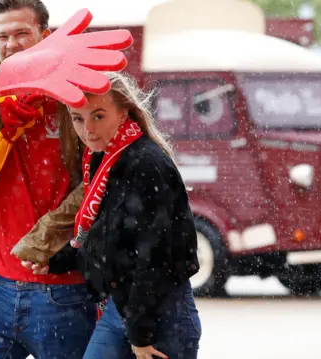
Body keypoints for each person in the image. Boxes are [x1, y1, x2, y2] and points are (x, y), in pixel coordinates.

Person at [0, 1, 97, 358]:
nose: (11, 44)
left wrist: (42, 242)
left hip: (61, 290)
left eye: (21, 34)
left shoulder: (73, 92)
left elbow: (95, 179)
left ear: (45, 35)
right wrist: (0, 77)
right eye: (2, 37)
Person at [23, 72, 203, 359]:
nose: (88, 129)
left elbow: (153, 256)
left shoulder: (145, 163)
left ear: (124, 112)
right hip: (123, 307)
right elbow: (108, 239)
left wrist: (140, 332)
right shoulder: (104, 157)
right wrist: (57, 262)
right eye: (78, 118)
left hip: (161, 311)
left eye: (98, 116)